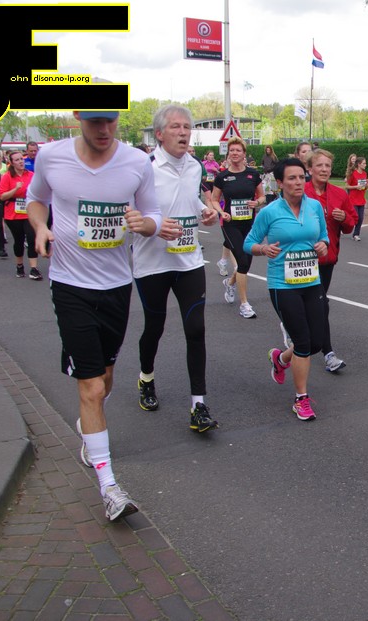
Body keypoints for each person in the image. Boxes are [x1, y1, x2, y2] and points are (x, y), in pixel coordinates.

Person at [27, 109, 167, 522]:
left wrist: (145, 224)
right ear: (77, 117)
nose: (104, 129)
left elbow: (155, 215)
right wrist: (40, 227)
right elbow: (36, 200)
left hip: (117, 286)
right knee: (89, 387)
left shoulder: (136, 161)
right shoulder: (52, 156)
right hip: (70, 285)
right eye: (94, 121)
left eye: (110, 120)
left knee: (104, 381)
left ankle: (89, 427)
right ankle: (109, 487)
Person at [131, 105, 219, 432]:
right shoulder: (144, 167)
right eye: (175, 127)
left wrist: (204, 210)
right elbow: (128, 214)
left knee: (196, 329)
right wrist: (153, 227)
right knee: (154, 327)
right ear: (159, 134)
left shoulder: (195, 167)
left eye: (187, 127)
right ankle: (146, 378)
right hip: (152, 263)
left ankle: (198, 405)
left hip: (188, 259)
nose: (183, 132)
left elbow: (189, 201)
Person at [244, 158, 329, 421]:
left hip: (312, 281)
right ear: (280, 183)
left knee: (316, 343)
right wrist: (263, 249)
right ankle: (301, 399)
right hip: (283, 285)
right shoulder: (270, 212)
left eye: (302, 177)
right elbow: (249, 243)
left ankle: (280, 359)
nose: (298, 182)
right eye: (292, 178)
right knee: (302, 342)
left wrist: (323, 245)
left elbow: (323, 236)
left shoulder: (315, 207)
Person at [304, 149, 358, 373]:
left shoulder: (339, 194)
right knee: (320, 304)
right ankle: (328, 353)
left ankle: (297, 331)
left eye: (327, 166)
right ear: (310, 169)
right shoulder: (300, 191)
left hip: (327, 259)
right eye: (319, 165)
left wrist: (344, 217)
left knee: (316, 304)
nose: (324, 169)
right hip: (303, 259)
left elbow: (350, 225)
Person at [210, 136, 265, 319]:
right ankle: (244, 304)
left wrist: (257, 202)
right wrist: (221, 212)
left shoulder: (253, 174)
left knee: (245, 263)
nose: (234, 153)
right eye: (231, 150)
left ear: (244, 154)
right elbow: (214, 199)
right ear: (228, 154)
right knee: (242, 260)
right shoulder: (222, 176)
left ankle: (230, 282)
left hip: (249, 223)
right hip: (230, 223)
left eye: (238, 150)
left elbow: (262, 196)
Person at [0, 152, 42, 279]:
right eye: (17, 160)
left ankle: (34, 268)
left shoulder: (31, 175)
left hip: (29, 212)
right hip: (13, 213)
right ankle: (19, 265)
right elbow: (2, 196)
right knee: (18, 240)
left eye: (21, 159)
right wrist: (15, 189)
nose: (21, 162)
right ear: (11, 163)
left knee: (31, 237)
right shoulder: (7, 177)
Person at [346, 156, 368, 241]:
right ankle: (343, 225)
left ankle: (356, 234)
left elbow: (364, 188)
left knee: (361, 218)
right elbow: (347, 186)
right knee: (355, 217)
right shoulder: (353, 174)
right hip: (353, 199)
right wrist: (356, 186)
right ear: (359, 164)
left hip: (361, 199)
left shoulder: (364, 174)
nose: (365, 165)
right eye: (364, 163)